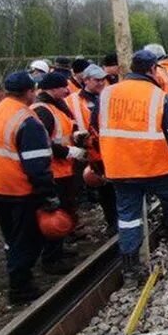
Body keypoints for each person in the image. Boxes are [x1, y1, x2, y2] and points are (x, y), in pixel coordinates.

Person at [94, 50, 168, 287]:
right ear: (153, 69)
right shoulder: (157, 96)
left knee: (129, 217)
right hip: (155, 166)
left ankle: (131, 271)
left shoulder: (107, 94)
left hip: (120, 169)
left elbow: (96, 126)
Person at [0, 72, 59, 304]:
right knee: (27, 239)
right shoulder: (27, 120)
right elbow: (37, 165)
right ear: (30, 92)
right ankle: (20, 287)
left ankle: (18, 278)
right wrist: (48, 194)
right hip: (20, 190)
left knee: (11, 236)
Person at [31, 73, 87, 264]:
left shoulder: (56, 107)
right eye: (63, 87)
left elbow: (62, 132)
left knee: (65, 207)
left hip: (63, 170)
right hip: (54, 170)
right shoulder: (42, 110)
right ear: (53, 88)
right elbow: (44, 142)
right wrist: (68, 151)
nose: (66, 90)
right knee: (54, 213)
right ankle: (51, 258)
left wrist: (76, 135)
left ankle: (58, 251)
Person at [67, 64, 117, 235]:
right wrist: (75, 136)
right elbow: (67, 124)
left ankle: (117, 221)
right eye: (97, 80)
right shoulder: (73, 101)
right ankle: (112, 221)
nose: (101, 83)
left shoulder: (110, 97)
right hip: (89, 153)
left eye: (103, 79)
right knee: (102, 190)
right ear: (86, 80)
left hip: (110, 150)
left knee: (114, 188)